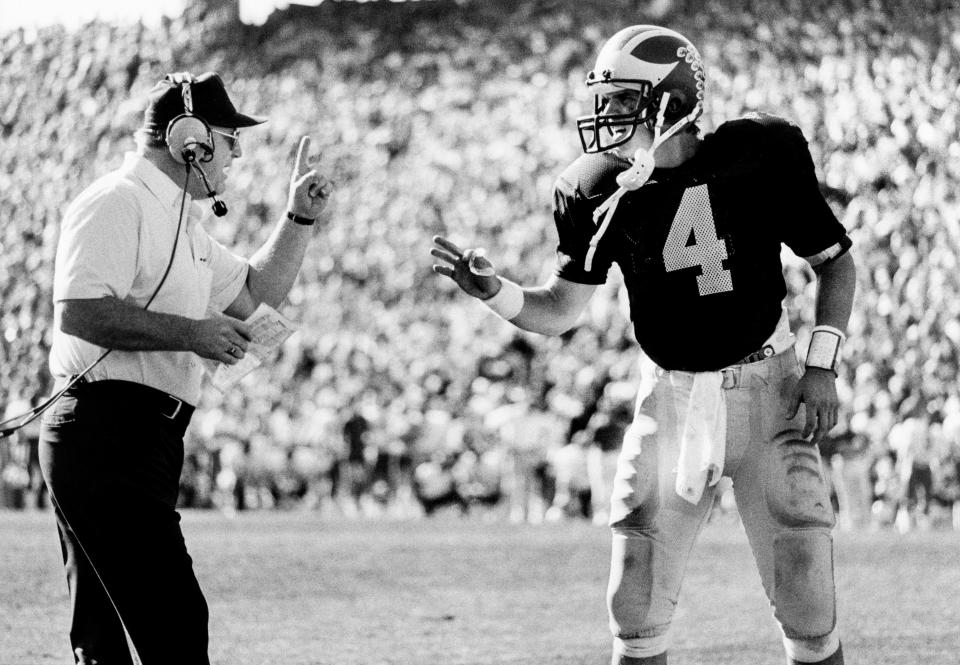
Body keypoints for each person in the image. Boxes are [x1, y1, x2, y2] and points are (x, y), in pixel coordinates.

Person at [432, 25, 855, 665]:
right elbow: (562, 309)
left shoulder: (760, 153)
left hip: (771, 391)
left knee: (807, 594)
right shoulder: (596, 186)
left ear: (671, 101)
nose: (607, 116)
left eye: (624, 100)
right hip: (672, 397)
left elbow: (835, 263)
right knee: (634, 602)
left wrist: (821, 366)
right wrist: (497, 292)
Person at [39, 71, 332, 665]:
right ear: (189, 140)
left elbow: (256, 293)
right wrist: (193, 333)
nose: (238, 153)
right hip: (105, 430)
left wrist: (298, 218)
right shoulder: (116, 200)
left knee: (105, 641)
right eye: (229, 138)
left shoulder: (181, 221)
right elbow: (79, 311)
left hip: (136, 436)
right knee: (173, 621)